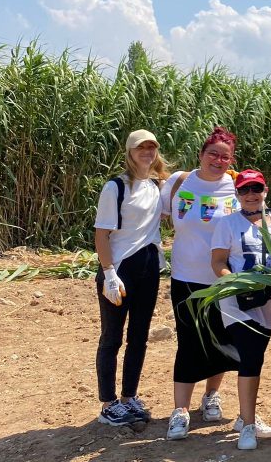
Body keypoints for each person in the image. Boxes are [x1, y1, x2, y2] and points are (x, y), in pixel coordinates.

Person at [161, 126, 242, 441]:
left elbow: (257, 221)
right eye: (213, 154)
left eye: (225, 157)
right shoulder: (180, 182)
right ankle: (180, 411)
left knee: (219, 339)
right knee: (188, 341)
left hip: (224, 279)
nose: (218, 161)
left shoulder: (236, 185)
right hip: (185, 276)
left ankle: (211, 396)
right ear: (201, 154)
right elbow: (159, 220)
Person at [93, 129, 169, 426]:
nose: (147, 152)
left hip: (149, 267)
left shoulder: (156, 186)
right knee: (112, 337)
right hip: (120, 268)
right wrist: (109, 273)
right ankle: (108, 403)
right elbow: (101, 234)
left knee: (139, 336)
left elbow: (185, 184)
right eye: (141, 148)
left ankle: (129, 397)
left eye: (151, 147)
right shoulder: (116, 187)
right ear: (130, 152)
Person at [210, 169, 271, 450]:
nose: (251, 195)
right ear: (237, 195)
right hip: (237, 303)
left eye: (256, 189)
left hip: (268, 302)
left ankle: (244, 417)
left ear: (266, 191)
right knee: (251, 357)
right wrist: (234, 281)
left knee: (257, 357)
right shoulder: (226, 224)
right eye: (244, 190)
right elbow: (218, 261)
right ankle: (249, 427)